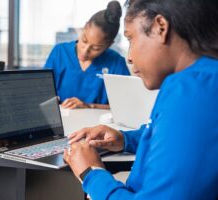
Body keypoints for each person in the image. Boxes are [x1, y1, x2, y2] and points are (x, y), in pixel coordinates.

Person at [64, 0, 218, 199]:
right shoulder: (205, 81)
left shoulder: (190, 91)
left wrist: (91, 174)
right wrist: (124, 139)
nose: (129, 57)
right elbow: (172, 138)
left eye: (131, 38)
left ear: (160, 27)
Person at [44, 1, 130, 109]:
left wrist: (89, 106)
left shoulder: (116, 63)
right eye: (84, 40)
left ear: (109, 45)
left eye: (95, 48)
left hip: (97, 124)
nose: (85, 51)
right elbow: (42, 93)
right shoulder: (59, 52)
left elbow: (126, 107)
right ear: (84, 28)